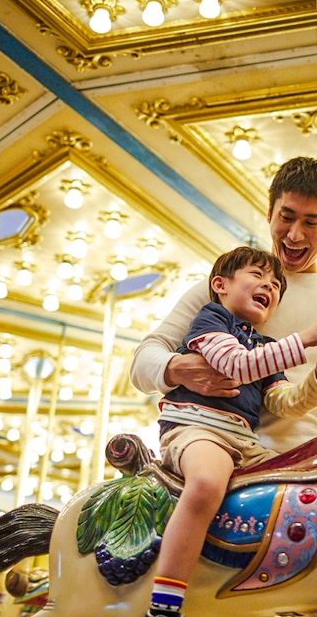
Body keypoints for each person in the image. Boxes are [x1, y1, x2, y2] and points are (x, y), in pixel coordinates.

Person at [140, 245, 317, 617]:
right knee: (205, 482)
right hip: (198, 428)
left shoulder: (265, 345)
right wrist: (304, 339)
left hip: (243, 441)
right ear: (219, 285)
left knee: (301, 488)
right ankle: (164, 603)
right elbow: (236, 366)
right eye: (257, 276)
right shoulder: (212, 321)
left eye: (275, 285)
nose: (268, 286)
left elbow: (283, 402)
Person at [130, 156, 317, 455]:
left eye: (312, 222)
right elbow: (142, 361)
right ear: (269, 213)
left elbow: (289, 401)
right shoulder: (229, 286)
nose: (295, 235)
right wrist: (176, 368)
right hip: (231, 452)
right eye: (286, 217)